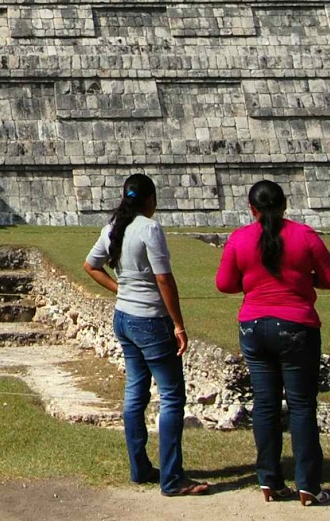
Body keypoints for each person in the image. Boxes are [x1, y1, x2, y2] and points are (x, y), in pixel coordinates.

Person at [216, 179, 330, 505]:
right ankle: (308, 485)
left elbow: (225, 284)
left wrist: (253, 281)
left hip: (254, 327)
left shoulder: (240, 239)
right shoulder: (304, 236)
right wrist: (303, 278)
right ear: (285, 205)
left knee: (266, 404)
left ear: (251, 208)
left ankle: (269, 480)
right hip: (295, 325)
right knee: (301, 406)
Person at [84, 173, 210, 496]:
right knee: (171, 395)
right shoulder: (149, 228)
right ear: (151, 200)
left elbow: (91, 265)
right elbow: (164, 280)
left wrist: (120, 288)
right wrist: (179, 324)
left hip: (124, 317)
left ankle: (140, 468)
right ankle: (171, 478)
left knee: (136, 392)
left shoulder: (114, 227)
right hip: (151, 320)